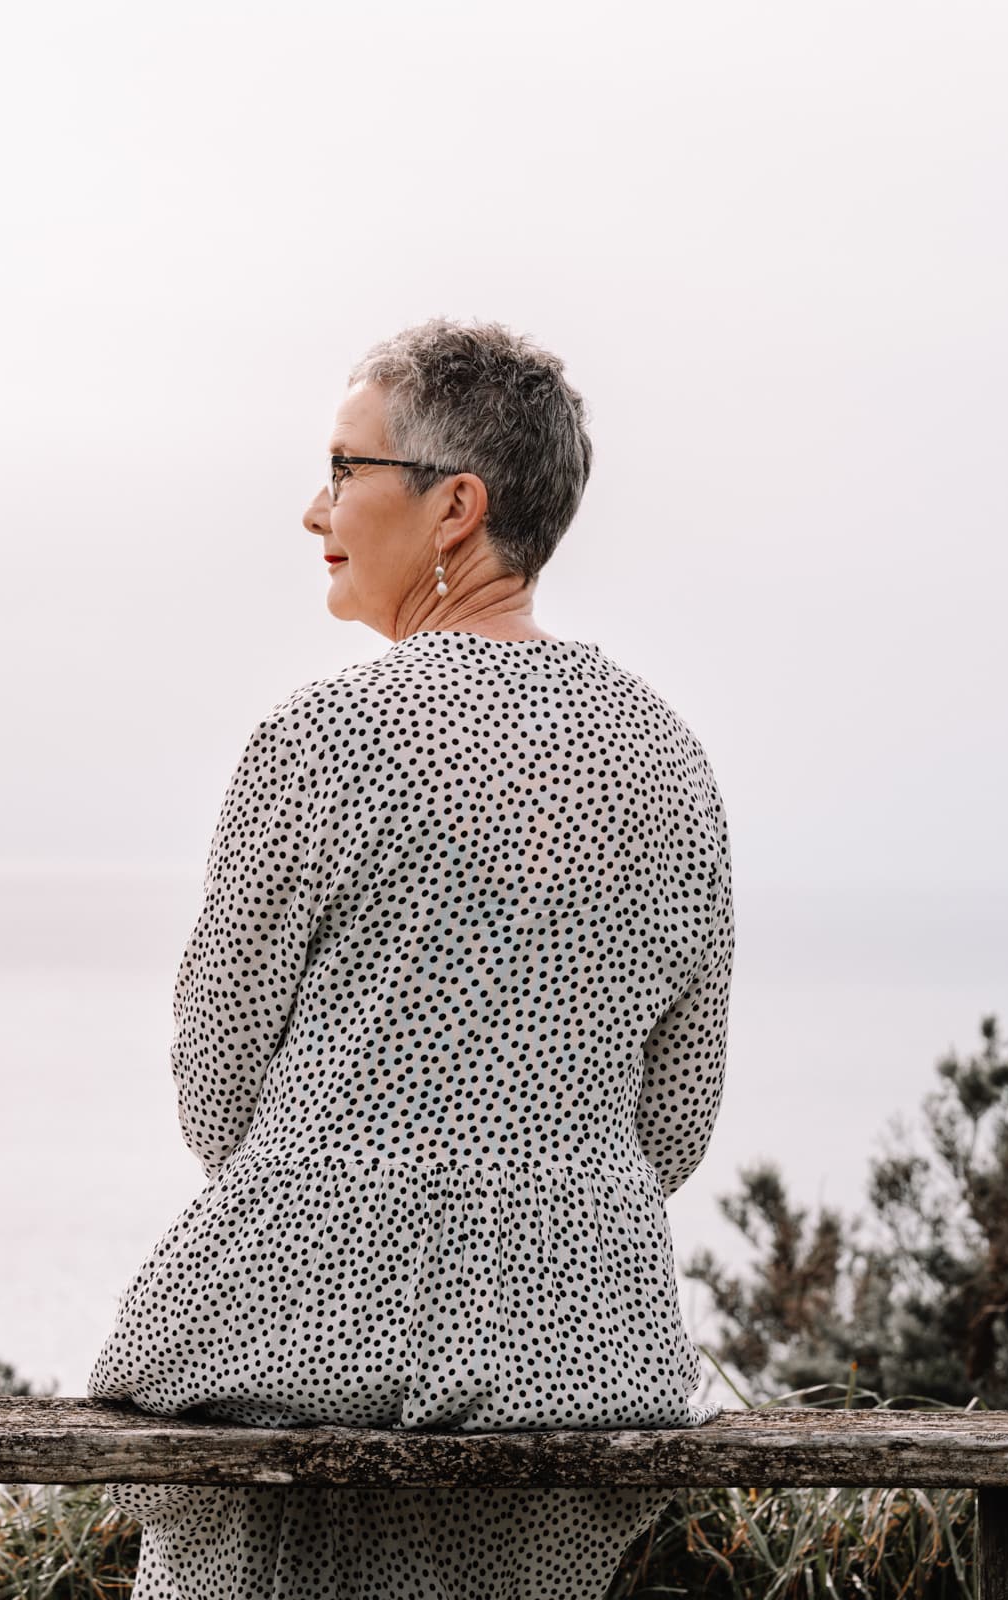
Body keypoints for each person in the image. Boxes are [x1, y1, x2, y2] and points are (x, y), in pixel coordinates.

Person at [88, 317, 737, 1599]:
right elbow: (674, 1122)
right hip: (582, 1355)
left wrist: (359, 1226)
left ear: (456, 507)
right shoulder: (671, 760)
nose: (314, 506)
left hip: (288, 1348)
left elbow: (216, 1088)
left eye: (345, 467)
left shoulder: (324, 738)